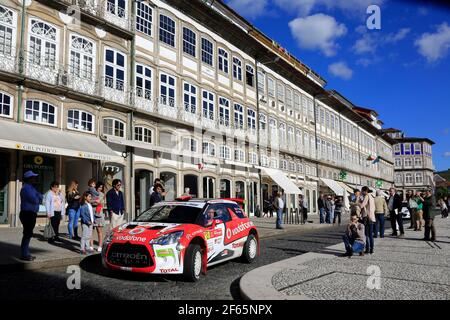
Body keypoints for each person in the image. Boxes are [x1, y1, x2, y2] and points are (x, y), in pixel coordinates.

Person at [19, 171, 43, 261]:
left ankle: (25, 253)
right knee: (27, 234)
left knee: (28, 234)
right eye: (33, 177)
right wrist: (38, 197)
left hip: (31, 213)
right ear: (29, 179)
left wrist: (38, 197)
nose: (34, 179)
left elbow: (41, 197)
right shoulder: (26, 188)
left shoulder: (32, 188)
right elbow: (35, 200)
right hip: (27, 213)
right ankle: (24, 254)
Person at [359, 186, 376, 254]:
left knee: (367, 234)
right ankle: (372, 249)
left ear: (364, 191)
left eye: (362, 191)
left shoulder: (367, 196)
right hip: (372, 217)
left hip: (367, 217)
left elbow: (362, 205)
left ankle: (368, 249)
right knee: (371, 235)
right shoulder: (372, 196)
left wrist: (358, 202)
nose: (361, 192)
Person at [91, 182, 106, 252]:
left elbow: (102, 203)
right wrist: (94, 201)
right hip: (92, 213)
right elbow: (89, 201)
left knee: (99, 231)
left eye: (101, 187)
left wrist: (99, 202)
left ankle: (99, 246)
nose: (100, 188)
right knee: (91, 230)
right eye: (99, 187)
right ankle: (91, 245)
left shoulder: (102, 194)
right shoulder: (92, 193)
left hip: (99, 213)